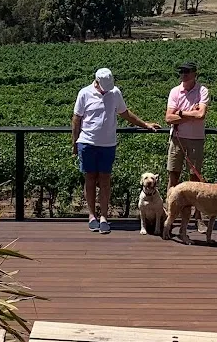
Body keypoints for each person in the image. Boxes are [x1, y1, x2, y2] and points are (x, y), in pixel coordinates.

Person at [72, 68, 160, 234]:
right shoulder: (84, 93)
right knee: (90, 179)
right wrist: (74, 142)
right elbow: (76, 118)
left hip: (108, 144)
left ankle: (104, 217)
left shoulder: (115, 92)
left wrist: (145, 124)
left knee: (105, 181)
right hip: (87, 142)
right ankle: (92, 216)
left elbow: (125, 113)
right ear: (96, 82)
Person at [165, 61, 209, 232]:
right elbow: (168, 118)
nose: (183, 75)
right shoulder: (175, 91)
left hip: (196, 139)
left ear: (194, 73)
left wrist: (180, 114)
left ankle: (197, 217)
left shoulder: (202, 90)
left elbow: (202, 114)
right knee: (173, 177)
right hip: (177, 139)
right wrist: (189, 113)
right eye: (181, 72)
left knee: (195, 180)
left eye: (187, 72)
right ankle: (171, 214)